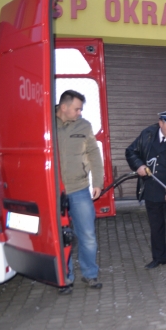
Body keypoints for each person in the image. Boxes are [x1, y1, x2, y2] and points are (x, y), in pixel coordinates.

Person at [125, 110, 166, 271]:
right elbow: (130, 151)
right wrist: (139, 165)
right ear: (160, 123)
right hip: (151, 190)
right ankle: (159, 258)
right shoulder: (147, 135)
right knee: (156, 227)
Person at [55, 90, 104, 294]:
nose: (79, 112)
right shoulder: (46, 124)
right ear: (63, 107)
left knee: (87, 235)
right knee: (59, 237)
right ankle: (65, 277)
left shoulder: (84, 126)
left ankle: (90, 274)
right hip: (54, 192)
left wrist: (98, 182)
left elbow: (94, 154)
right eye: (77, 109)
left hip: (79, 189)